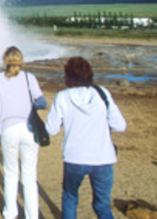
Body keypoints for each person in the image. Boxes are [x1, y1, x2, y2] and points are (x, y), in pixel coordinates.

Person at [46, 57, 127, 219]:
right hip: (103, 158)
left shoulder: (63, 97)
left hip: (75, 158)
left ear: (68, 75)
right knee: (102, 205)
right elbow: (120, 125)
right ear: (89, 74)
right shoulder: (102, 93)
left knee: (70, 198)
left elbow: (51, 129)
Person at [0, 46, 47, 219]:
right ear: (21, 61)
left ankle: (10, 213)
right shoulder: (29, 78)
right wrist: (28, 105)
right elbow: (42, 102)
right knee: (29, 176)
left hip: (8, 129)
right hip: (29, 129)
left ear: (5, 60)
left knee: (11, 173)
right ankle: (32, 216)